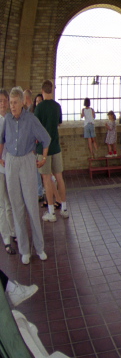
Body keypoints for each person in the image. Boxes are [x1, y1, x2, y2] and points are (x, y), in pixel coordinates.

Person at [0, 87, 51, 265]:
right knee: (16, 207)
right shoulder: (7, 119)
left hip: (28, 161)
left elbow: (46, 138)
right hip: (12, 162)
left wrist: (43, 157)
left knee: (31, 205)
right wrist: (1, 158)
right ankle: (24, 250)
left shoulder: (31, 119)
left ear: (22, 103)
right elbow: (2, 140)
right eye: (10, 103)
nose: (12, 106)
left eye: (15, 103)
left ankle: (39, 248)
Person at [35, 80, 68, 222]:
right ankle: (64, 208)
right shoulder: (57, 106)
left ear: (42, 91)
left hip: (43, 149)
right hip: (56, 146)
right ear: (52, 91)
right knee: (59, 177)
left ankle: (51, 212)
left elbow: (35, 128)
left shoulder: (39, 108)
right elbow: (59, 123)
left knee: (46, 179)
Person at [0, 90, 16, 255]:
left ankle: (13, 232)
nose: (3, 104)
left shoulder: (11, 120)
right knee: (2, 204)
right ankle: (6, 238)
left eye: (5, 101)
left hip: (10, 166)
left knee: (11, 201)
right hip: (0, 167)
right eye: (1, 101)